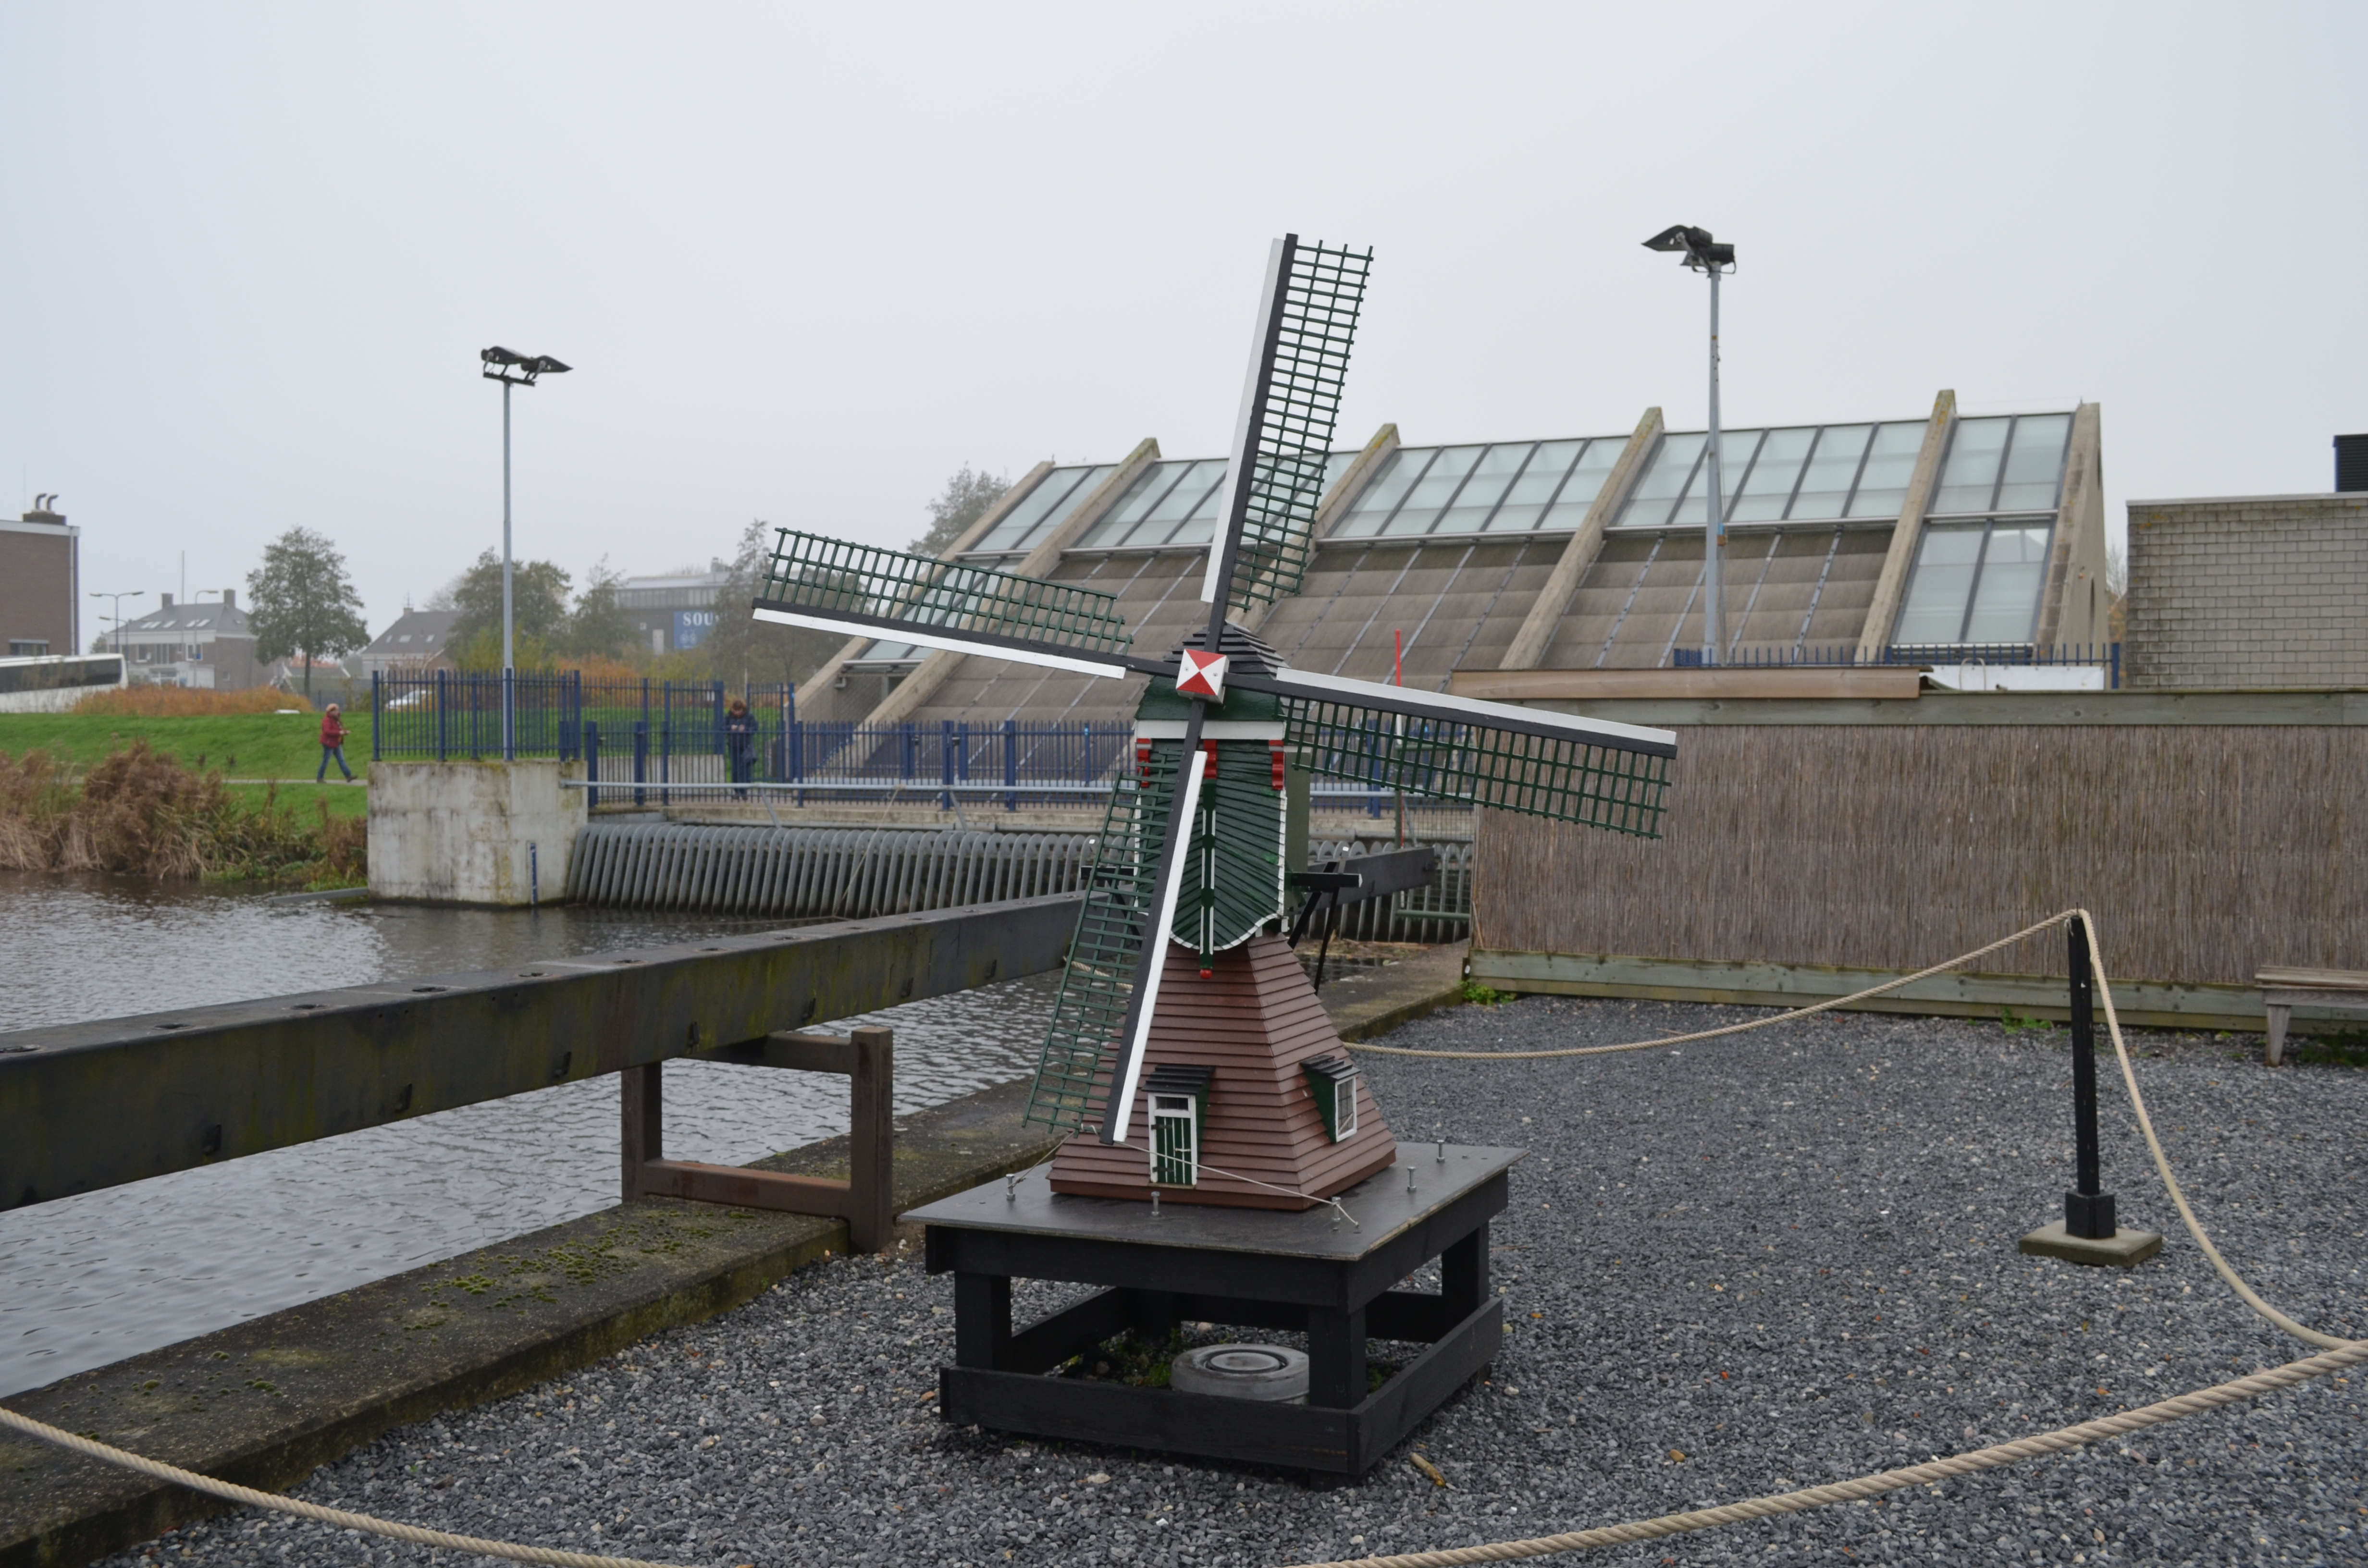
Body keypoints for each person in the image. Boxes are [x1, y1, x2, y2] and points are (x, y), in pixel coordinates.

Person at [724, 697, 757, 799]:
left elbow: (755, 728)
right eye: (735, 711)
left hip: (745, 746)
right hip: (734, 746)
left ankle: (744, 791)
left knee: (745, 769)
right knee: (735, 769)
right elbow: (722, 728)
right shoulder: (729, 717)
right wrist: (730, 728)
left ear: (743, 710)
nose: (737, 713)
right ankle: (737, 791)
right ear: (733, 709)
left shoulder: (749, 717)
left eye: (739, 711)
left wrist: (746, 729)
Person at [317, 702, 358, 784]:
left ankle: (348, 776)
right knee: (326, 761)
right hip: (328, 743)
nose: (337, 712)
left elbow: (339, 729)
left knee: (341, 760)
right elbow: (327, 731)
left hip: (336, 742)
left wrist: (344, 732)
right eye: (335, 710)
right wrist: (339, 733)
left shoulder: (336, 720)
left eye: (337, 710)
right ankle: (320, 778)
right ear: (330, 712)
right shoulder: (327, 720)